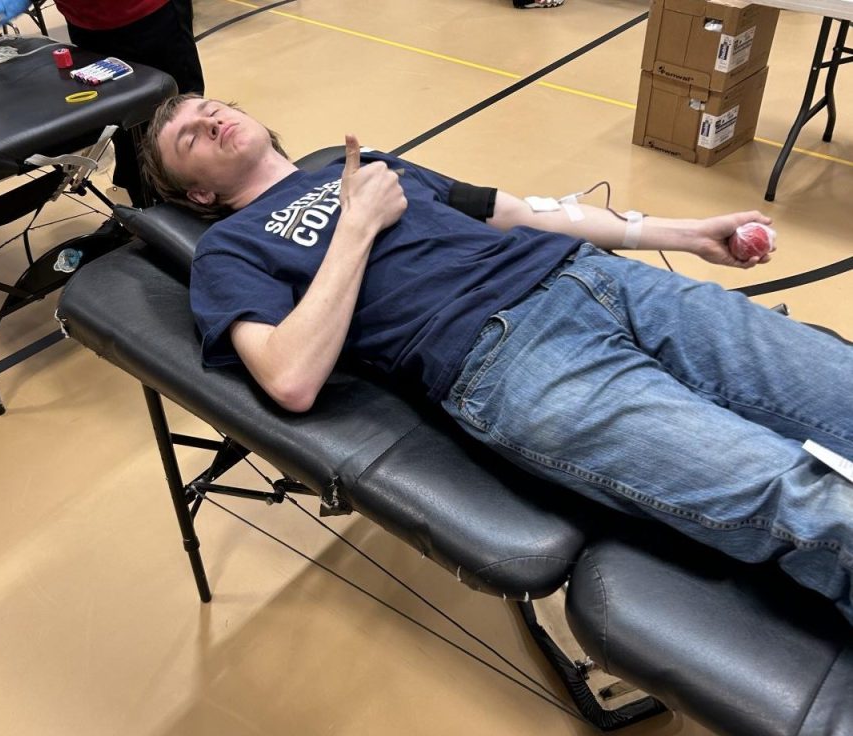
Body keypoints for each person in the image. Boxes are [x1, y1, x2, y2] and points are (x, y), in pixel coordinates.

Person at [141, 93, 853, 623]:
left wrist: (684, 232)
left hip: (605, 280)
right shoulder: (228, 251)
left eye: (214, 106)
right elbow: (288, 377)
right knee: (803, 500)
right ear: (198, 192)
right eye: (189, 136)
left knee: (840, 388)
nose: (211, 117)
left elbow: (520, 212)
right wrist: (355, 227)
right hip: (509, 359)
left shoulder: (377, 166)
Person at [0, 0, 204, 205]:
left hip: (148, 16)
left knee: (178, 121)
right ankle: (147, 210)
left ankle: (200, 211)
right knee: (121, 124)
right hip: (88, 24)